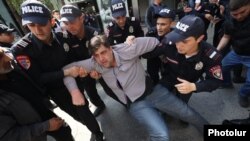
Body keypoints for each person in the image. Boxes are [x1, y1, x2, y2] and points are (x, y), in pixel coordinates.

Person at [63, 35, 208, 141]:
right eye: (96, 55)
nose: (101, 58)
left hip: (154, 92)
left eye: (103, 52)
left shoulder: (128, 49)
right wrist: (75, 91)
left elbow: (154, 41)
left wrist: (134, 40)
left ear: (111, 49)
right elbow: (67, 71)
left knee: (189, 113)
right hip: (136, 104)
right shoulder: (94, 64)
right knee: (162, 135)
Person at [11, 1, 105, 140]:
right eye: (31, 25)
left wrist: (84, 71)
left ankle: (98, 134)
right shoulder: (22, 50)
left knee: (83, 110)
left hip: (75, 83)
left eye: (42, 24)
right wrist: (65, 73)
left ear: (52, 21)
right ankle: (91, 127)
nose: (37, 30)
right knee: (76, 116)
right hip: (56, 92)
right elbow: (38, 78)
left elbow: (76, 59)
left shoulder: (64, 37)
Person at [143, 15, 223, 104]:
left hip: (188, 83)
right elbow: (148, 54)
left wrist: (194, 86)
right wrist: (133, 44)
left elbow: (215, 81)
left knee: (181, 108)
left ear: (199, 38)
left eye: (185, 41)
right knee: (155, 102)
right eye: (177, 38)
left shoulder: (210, 55)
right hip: (168, 78)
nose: (178, 45)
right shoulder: (168, 43)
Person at [0, 47, 74, 141]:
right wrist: (45, 127)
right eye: (0, 58)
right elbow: (9, 136)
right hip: (36, 134)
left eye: (4, 53)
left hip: (45, 114)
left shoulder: (11, 66)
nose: (8, 58)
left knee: (66, 132)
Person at [59, 4, 106, 116]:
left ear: (81, 18)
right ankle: (100, 105)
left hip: (99, 67)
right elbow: (68, 61)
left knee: (110, 87)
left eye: (72, 22)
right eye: (66, 23)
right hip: (81, 72)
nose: (69, 26)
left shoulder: (95, 34)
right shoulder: (65, 39)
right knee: (91, 94)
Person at [216, 0, 250, 108]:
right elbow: (226, 37)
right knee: (220, 67)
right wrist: (216, 50)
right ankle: (226, 83)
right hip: (236, 53)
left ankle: (243, 94)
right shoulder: (229, 22)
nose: (239, 16)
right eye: (235, 14)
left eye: (243, 12)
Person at [146, 8, 176, 85]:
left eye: (163, 24)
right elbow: (145, 53)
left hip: (168, 63)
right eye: (157, 24)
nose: (159, 28)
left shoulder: (177, 38)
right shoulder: (151, 33)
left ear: (172, 24)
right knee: (152, 74)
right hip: (153, 59)